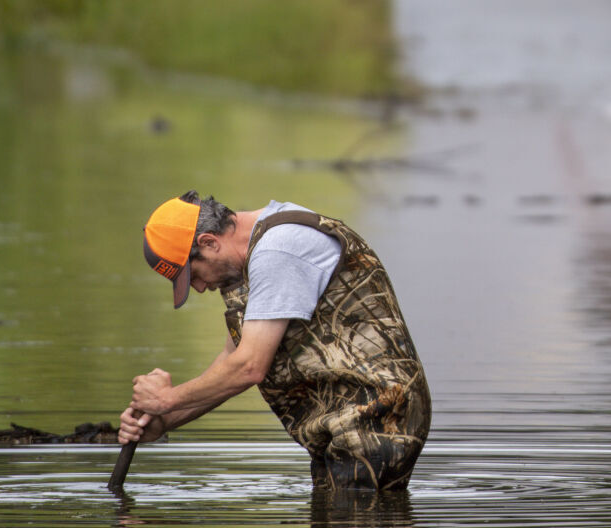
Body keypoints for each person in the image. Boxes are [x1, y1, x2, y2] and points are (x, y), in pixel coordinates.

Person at [119, 191, 431, 489]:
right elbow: (232, 361)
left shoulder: (277, 251)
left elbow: (249, 366)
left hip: (377, 418)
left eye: (194, 275)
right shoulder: (264, 250)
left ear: (209, 242)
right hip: (350, 423)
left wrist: (166, 399)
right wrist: (164, 420)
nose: (200, 288)